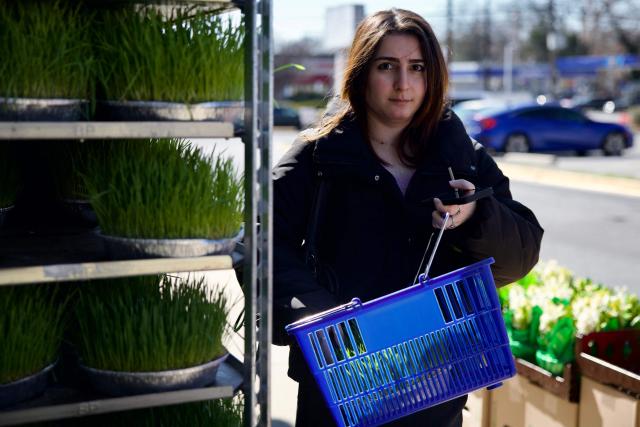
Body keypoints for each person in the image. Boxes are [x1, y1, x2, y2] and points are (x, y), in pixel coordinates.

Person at [272, 8, 543, 427]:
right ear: (361, 74)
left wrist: (475, 215)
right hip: (342, 387)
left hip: (435, 385)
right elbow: (260, 240)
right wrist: (325, 320)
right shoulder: (318, 155)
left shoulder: (460, 156)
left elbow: (523, 252)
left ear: (431, 76)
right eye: (387, 67)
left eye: (416, 67)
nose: (403, 84)